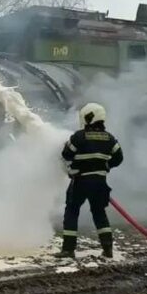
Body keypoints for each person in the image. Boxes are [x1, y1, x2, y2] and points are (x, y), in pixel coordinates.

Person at [55, 103, 124, 259]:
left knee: (72, 211)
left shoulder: (79, 136)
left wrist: (69, 160)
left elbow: (66, 155)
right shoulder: (110, 138)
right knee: (99, 213)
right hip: (100, 182)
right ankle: (108, 250)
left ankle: (68, 249)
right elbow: (119, 158)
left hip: (81, 181)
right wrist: (106, 165)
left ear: (88, 117)